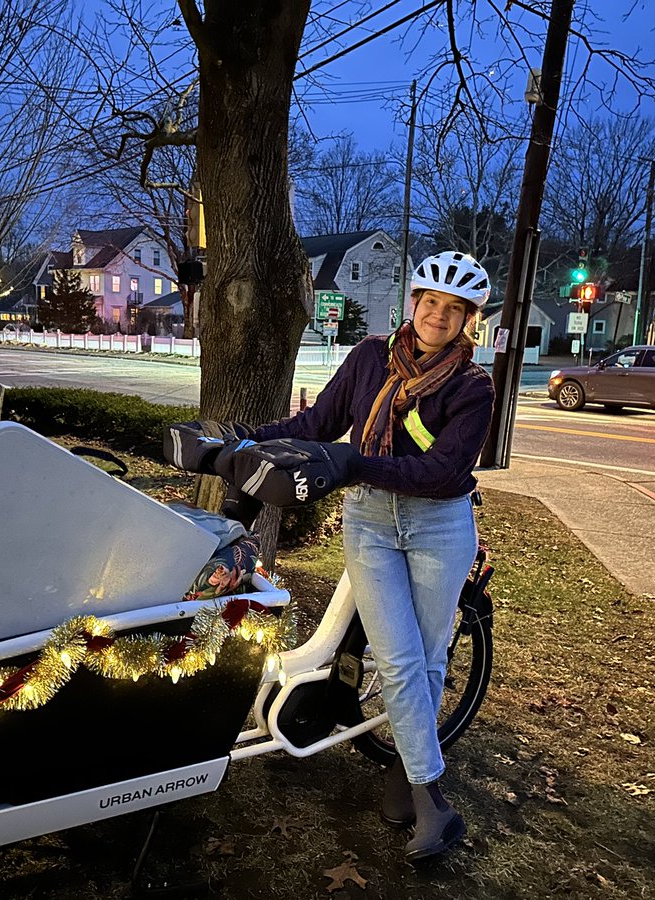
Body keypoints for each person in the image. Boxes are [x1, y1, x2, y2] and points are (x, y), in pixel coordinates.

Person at [245, 251, 495, 859]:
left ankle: (404, 775)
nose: (437, 315)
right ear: (413, 303)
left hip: (439, 524)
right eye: (429, 302)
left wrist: (357, 463)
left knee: (428, 659)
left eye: (452, 308)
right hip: (370, 523)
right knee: (399, 656)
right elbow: (319, 420)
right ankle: (432, 797)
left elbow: (442, 472)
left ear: (467, 319)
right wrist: (243, 436)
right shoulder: (368, 358)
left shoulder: (472, 386)